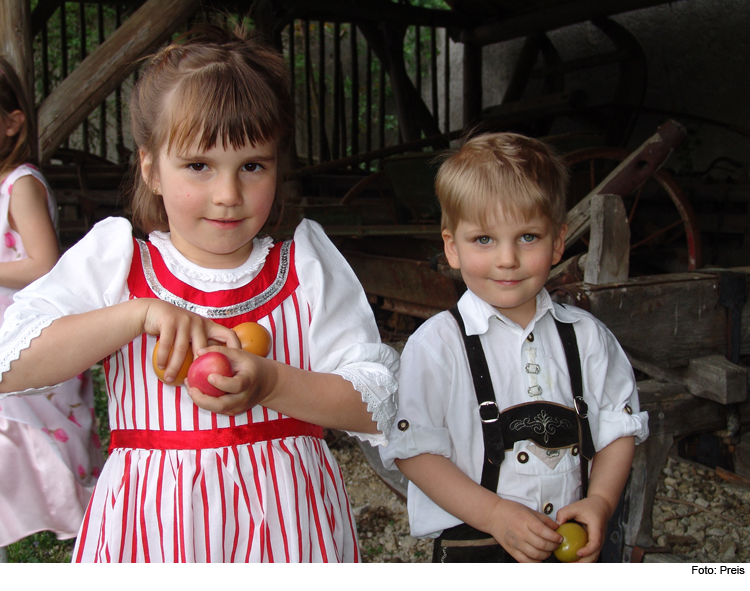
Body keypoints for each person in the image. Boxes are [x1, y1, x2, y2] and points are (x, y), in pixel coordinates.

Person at [0, 26, 398, 563]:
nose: (228, 195)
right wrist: (136, 314)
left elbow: (375, 402)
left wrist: (273, 381)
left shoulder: (304, 268)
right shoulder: (119, 264)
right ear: (151, 168)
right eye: (198, 166)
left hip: (285, 532)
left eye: (253, 166)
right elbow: (13, 363)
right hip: (153, 528)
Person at [380, 132, 649, 563]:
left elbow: (619, 430)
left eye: (527, 237)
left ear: (558, 241)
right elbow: (415, 453)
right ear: (452, 246)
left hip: (570, 549)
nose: (507, 259)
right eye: (484, 240)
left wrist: (599, 500)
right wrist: (493, 513)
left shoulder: (588, 337)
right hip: (475, 551)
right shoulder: (437, 346)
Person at [0, 57, 103, 556]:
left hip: (25, 345)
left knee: (45, 453)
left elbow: (42, 263)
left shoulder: (18, 184)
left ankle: (100, 534)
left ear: (11, 121)